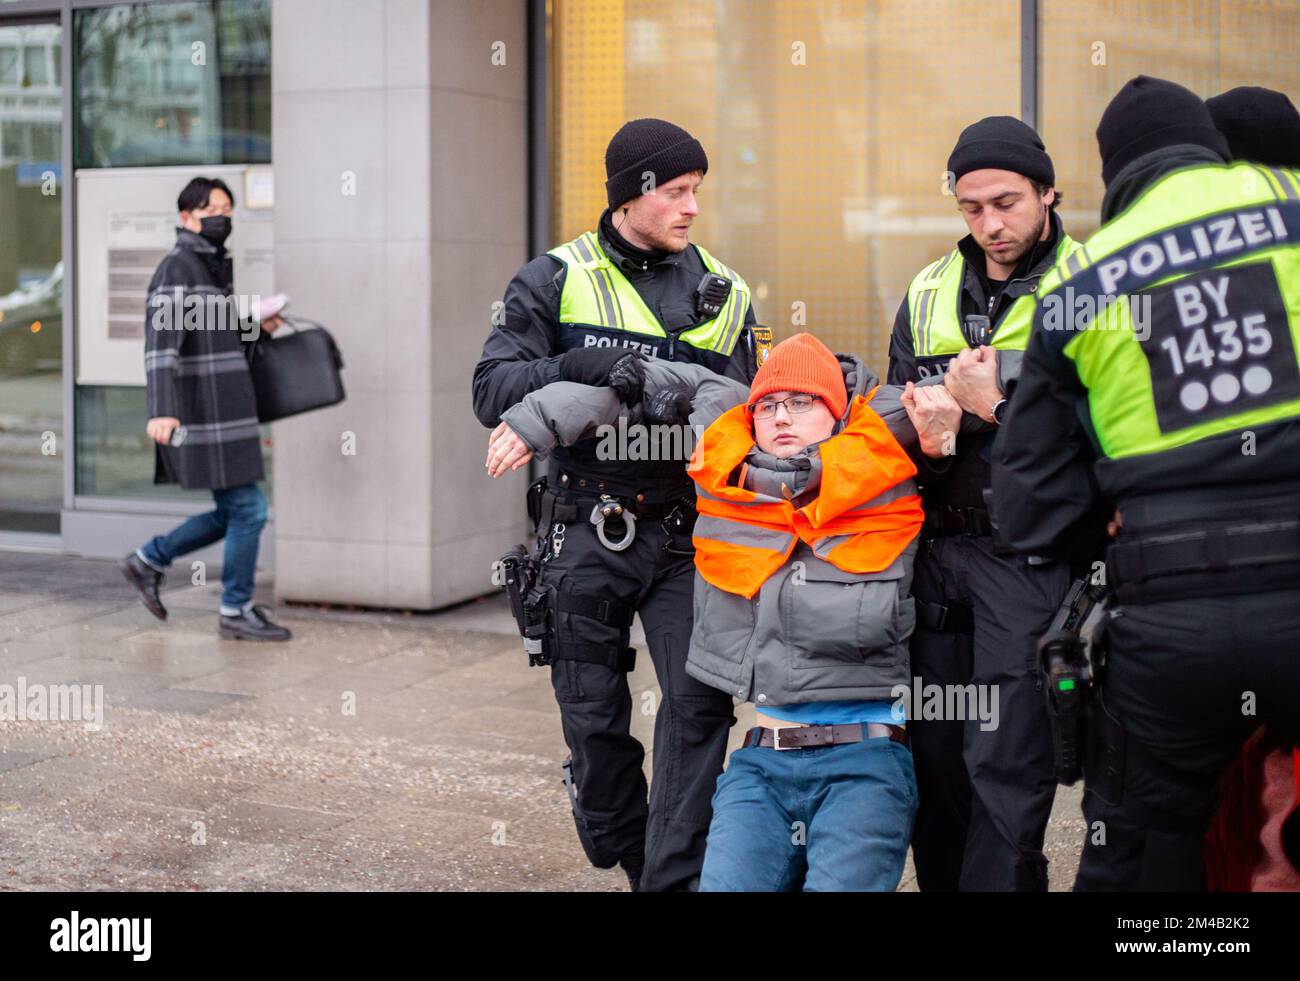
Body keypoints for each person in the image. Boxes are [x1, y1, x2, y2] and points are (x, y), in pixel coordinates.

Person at [491, 333, 968, 891]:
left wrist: (945, 443)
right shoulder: (726, 470)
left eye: (803, 402)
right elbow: (650, 382)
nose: (781, 416)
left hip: (864, 765)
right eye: (768, 405)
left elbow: (987, 383)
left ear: (839, 414)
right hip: (761, 764)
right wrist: (540, 413)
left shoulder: (885, 460)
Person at [991, 75, 1300, 890]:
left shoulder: (1081, 284)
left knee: (1140, 853)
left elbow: (1028, 513)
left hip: (1171, 624)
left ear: (1112, 174)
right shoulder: (1288, 204)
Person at [473, 118, 762, 892]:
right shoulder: (552, 278)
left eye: (697, 190)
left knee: (699, 711)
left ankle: (667, 879)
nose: (692, 207)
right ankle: (628, 842)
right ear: (632, 193)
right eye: (675, 191)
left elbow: (746, 410)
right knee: (596, 726)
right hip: (584, 527)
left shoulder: (726, 292)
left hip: (684, 532)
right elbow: (490, 391)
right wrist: (584, 364)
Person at [886, 116, 1083, 891]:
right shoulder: (929, 288)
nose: (990, 224)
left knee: (1006, 761)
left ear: (1047, 191)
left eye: (1006, 202)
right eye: (971, 208)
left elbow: (1107, 427)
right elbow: (896, 409)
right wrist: (926, 437)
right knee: (933, 761)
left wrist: (997, 403)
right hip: (938, 553)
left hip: (1029, 555)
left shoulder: (1094, 284)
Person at [119, 177, 290, 642]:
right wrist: (161, 409)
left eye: (228, 209)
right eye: (213, 208)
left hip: (227, 408)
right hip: (203, 412)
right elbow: (161, 344)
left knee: (235, 509)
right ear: (186, 217)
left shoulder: (210, 267)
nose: (223, 217)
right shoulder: (178, 268)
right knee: (249, 509)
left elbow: (215, 335)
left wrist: (258, 328)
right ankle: (234, 608)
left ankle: (149, 559)